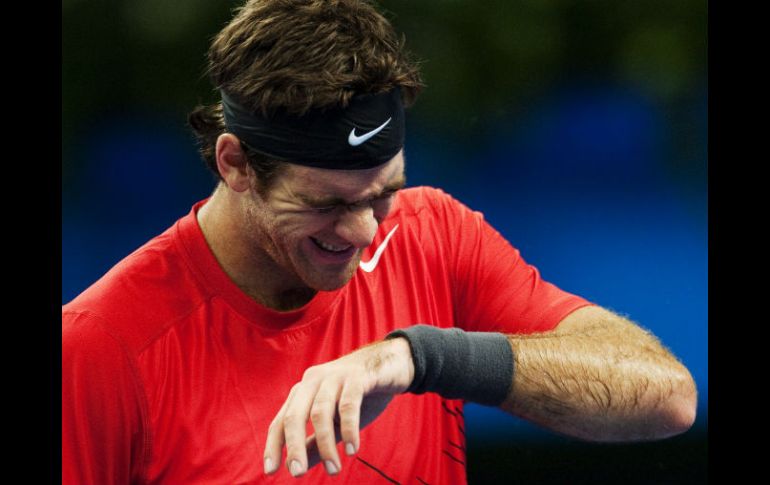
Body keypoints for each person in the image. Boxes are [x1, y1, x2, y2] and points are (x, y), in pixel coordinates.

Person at [61, 0, 698, 483]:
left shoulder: (434, 235)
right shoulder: (102, 347)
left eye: (382, 193)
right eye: (327, 203)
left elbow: (667, 397)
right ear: (235, 165)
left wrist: (419, 357)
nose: (366, 232)